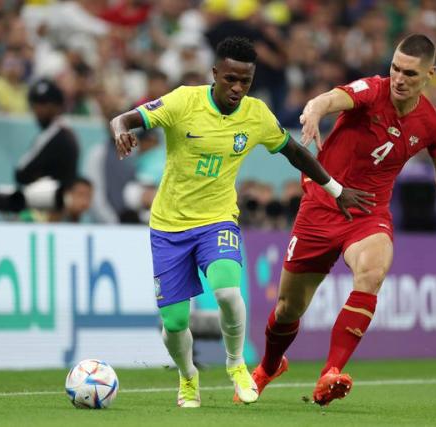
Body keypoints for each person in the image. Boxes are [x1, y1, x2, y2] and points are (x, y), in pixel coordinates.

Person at [109, 36, 372, 408]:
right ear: (214, 73)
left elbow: (294, 152)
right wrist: (121, 130)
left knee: (229, 294)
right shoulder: (184, 101)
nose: (236, 88)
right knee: (174, 322)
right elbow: (124, 118)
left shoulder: (256, 115)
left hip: (217, 220)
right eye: (230, 79)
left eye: (244, 82)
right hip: (168, 226)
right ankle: (188, 378)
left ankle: (236, 365)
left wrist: (335, 188)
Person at [251, 34, 436, 407]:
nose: (399, 78)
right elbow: (332, 98)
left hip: (368, 215)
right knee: (289, 308)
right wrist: (316, 111)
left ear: (431, 73)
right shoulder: (373, 90)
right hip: (321, 207)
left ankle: (330, 373)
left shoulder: (431, 123)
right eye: (395, 68)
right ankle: (269, 367)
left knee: (372, 272)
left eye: (410, 73)